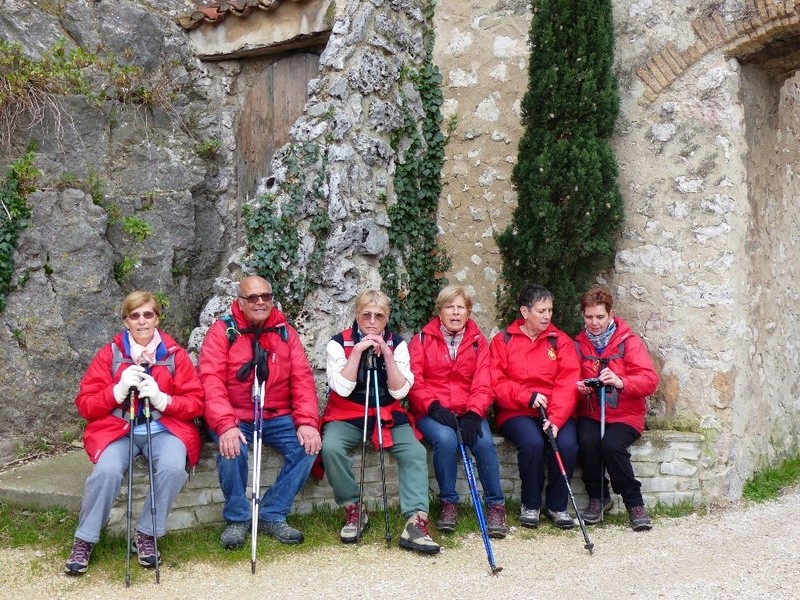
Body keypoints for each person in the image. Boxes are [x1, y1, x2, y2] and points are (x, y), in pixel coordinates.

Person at [65, 291, 204, 575]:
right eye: (134, 316)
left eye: (148, 314)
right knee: (106, 473)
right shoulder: (110, 355)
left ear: (157, 318)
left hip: (163, 429)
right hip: (118, 430)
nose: (142, 321)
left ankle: (147, 534)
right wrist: (116, 391)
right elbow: (86, 404)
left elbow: (196, 402)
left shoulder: (174, 356)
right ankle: (85, 539)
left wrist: (164, 400)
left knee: (173, 467)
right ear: (126, 321)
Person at [198, 276, 321, 549]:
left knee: (309, 447)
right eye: (253, 298)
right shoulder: (222, 332)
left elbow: (302, 379)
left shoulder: (285, 331)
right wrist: (225, 424)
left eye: (266, 296)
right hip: (235, 415)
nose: (260, 302)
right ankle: (237, 518)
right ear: (240, 302)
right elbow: (211, 381)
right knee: (232, 450)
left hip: (276, 414)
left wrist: (307, 422)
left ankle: (271, 513)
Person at [321, 290, 439, 554]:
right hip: (348, 412)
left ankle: (415, 521)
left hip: (387, 411)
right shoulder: (338, 343)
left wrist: (386, 353)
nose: (372, 321)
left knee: (415, 452)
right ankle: (354, 507)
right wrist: (358, 351)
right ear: (357, 316)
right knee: (330, 447)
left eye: (379, 316)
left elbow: (400, 392)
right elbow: (341, 387)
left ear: (387, 319)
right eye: (367, 315)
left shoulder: (398, 344)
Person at [407, 285, 507, 538]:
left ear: (468, 312)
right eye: (449, 307)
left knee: (483, 443)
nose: (455, 312)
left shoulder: (478, 343)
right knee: (446, 439)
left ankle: (496, 505)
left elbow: (484, 382)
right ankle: (448, 502)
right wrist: (433, 406)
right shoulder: (421, 340)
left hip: (467, 410)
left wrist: (474, 412)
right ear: (439, 312)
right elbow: (414, 380)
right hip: (433, 410)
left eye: (460, 307)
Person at [490, 283, 580, 529]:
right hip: (516, 410)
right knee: (532, 444)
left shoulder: (560, 340)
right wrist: (525, 396)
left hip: (554, 410)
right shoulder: (503, 340)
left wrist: (557, 418)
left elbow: (568, 380)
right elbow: (496, 382)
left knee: (567, 444)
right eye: (541, 311)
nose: (547, 316)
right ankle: (530, 505)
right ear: (524, 311)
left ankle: (557, 506)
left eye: (550, 310)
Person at [574, 286, 659, 531]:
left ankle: (634, 503)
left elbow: (650, 380)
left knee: (611, 445)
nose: (595, 323)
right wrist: (580, 387)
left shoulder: (629, 342)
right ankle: (598, 497)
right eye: (589, 317)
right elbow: (569, 376)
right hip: (592, 412)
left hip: (626, 414)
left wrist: (622, 382)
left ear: (611, 315)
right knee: (587, 441)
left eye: (600, 317)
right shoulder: (579, 344)